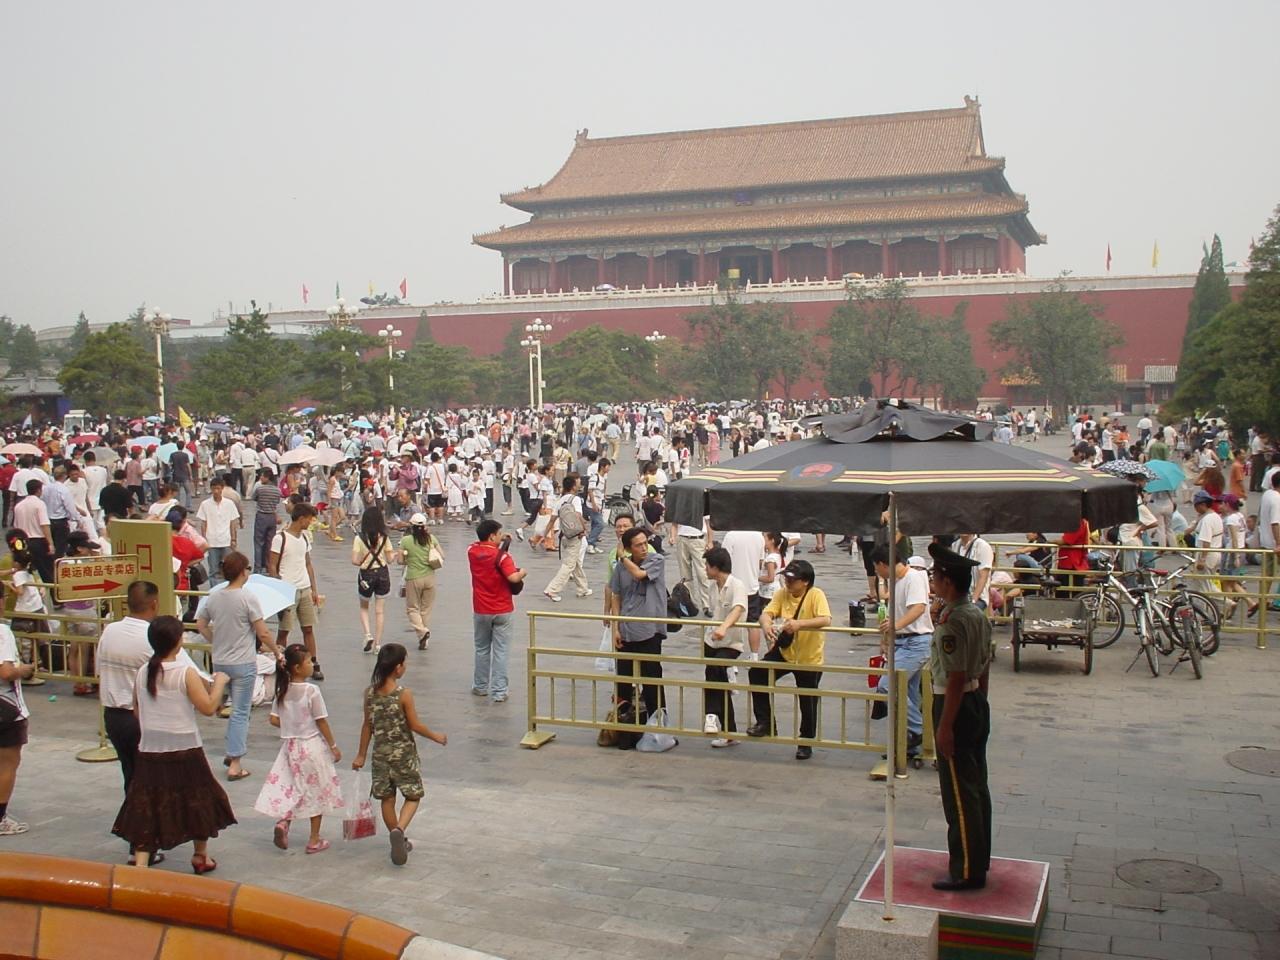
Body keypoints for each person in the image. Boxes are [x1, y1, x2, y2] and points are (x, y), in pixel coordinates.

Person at [111, 616, 236, 872]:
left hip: (151, 748)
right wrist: (220, 684)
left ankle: (142, 860)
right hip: (184, 745)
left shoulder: (143, 671)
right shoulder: (184, 672)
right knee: (198, 797)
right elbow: (208, 707)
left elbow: (136, 709)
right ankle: (200, 854)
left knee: (147, 802)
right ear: (178, 641)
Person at [926, 542, 993, 891]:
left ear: (948, 582)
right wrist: (980, 700)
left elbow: (954, 676)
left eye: (935, 576)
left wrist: (945, 726)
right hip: (975, 701)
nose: (932, 581)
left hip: (954, 703)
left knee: (958, 792)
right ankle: (979, 857)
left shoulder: (952, 622)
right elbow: (984, 664)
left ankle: (965, 868)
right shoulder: (976, 613)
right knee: (976, 784)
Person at [352, 643, 448, 866]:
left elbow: (367, 726)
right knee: (413, 796)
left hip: (380, 755)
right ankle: (399, 829)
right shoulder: (404, 694)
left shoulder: (369, 694)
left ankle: (397, 837)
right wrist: (435, 736)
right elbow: (414, 725)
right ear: (398, 667)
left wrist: (361, 755)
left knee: (387, 798)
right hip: (403, 754)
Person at [196, 551, 278, 782]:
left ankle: (232, 748)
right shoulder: (247, 597)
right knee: (241, 711)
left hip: (220, 661)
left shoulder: (214, 595)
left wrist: (215, 640)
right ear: (243, 572)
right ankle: (235, 761)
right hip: (243, 661)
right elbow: (263, 632)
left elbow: (201, 624)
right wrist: (276, 651)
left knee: (232, 707)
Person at [254, 644, 343, 854]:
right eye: (309, 661)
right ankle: (314, 839)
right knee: (316, 791)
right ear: (297, 667)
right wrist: (333, 746)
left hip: (290, 747)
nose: (312, 665)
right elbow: (321, 721)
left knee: (293, 787)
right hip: (311, 746)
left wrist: (290, 725)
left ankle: (284, 821)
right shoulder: (311, 691)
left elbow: (273, 719)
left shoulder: (282, 690)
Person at [747, 559, 831, 760]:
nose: (788, 582)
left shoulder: (816, 595)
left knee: (808, 700)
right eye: (786, 578)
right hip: (785, 652)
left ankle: (806, 742)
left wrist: (799, 624)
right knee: (757, 673)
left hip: (809, 657)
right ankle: (765, 722)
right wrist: (766, 625)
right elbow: (766, 613)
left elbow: (825, 619)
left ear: (805, 581)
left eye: (792, 580)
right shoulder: (782, 593)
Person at [869, 545, 934, 762]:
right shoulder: (895, 582)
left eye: (877, 568)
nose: (877, 572)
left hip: (916, 642)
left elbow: (918, 608)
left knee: (888, 685)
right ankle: (909, 744)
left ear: (883, 564)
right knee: (909, 694)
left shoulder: (913, 577)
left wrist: (896, 626)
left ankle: (918, 730)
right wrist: (887, 639)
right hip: (901, 642)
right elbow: (892, 614)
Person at [608, 526, 669, 724]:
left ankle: (658, 722)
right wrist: (615, 627)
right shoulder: (621, 568)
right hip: (626, 629)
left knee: (651, 679)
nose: (644, 548)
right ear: (629, 548)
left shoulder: (656, 560)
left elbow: (639, 575)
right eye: (638, 545)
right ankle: (624, 723)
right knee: (624, 679)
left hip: (650, 630)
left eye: (645, 543)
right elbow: (616, 595)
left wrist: (622, 557)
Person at [467, 520, 525, 703]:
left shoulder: (472, 551)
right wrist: (523, 572)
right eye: (499, 534)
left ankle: (480, 686)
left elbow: (483, 547)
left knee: (481, 649)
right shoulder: (503, 558)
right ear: (492, 536)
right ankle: (499, 691)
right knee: (501, 651)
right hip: (502, 609)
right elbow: (513, 577)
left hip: (481, 609)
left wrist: (501, 541)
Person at [268, 503, 324, 681]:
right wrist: (278, 587)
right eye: (309, 519)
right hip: (288, 589)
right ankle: (280, 662)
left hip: (304, 587)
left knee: (308, 628)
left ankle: (313, 663)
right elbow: (272, 564)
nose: (310, 522)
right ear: (301, 519)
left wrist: (314, 589)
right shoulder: (280, 538)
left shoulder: (304, 538)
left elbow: (308, 563)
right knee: (284, 630)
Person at [701, 546, 745, 748]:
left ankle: (710, 715)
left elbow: (738, 608)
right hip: (712, 641)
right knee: (717, 681)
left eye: (707, 565)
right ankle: (729, 731)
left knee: (715, 669)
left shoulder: (737, 585)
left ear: (716, 567)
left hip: (731, 642)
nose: (705, 568)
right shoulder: (713, 587)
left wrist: (724, 627)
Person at [0, 613, 35, 836]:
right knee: (7, 764)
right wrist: (23, 669)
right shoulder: (2, 632)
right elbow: (6, 671)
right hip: (6, 708)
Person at [543, 474, 591, 602]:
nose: (580, 485)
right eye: (578, 483)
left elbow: (552, 520)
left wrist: (545, 534)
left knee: (574, 562)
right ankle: (552, 590)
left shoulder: (560, 501)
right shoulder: (575, 499)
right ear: (573, 486)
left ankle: (583, 588)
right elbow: (578, 515)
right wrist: (584, 529)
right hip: (575, 535)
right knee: (569, 565)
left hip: (564, 536)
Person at [352, 509, 395, 654]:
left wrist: (363, 560)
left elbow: (354, 561)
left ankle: (367, 634)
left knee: (364, 607)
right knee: (379, 611)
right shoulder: (385, 538)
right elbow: (390, 560)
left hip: (366, 575)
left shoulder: (359, 539)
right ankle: (377, 644)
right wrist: (395, 554)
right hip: (382, 574)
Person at [398, 513, 441, 651]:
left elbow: (400, 561)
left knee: (412, 608)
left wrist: (408, 559)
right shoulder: (431, 539)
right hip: (430, 577)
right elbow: (442, 555)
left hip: (413, 577)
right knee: (425, 609)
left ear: (411, 526)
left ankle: (422, 632)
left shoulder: (406, 541)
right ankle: (423, 638)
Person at [196, 478, 240, 583]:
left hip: (226, 540)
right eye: (214, 489)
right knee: (213, 570)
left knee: (227, 569)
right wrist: (204, 540)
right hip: (212, 542)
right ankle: (214, 590)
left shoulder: (229, 504)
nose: (216, 491)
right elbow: (203, 524)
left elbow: (233, 523)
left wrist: (234, 539)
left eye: (218, 488)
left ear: (222, 489)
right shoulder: (205, 504)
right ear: (211, 489)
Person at [13, 480, 53, 586]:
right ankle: (54, 595)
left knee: (25, 571)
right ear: (39, 490)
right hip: (38, 541)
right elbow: (44, 524)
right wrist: (50, 543)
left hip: (23, 542)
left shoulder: (18, 506)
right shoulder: (39, 504)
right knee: (47, 571)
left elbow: (16, 527)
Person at [249, 468, 283, 573]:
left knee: (258, 542)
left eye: (262, 476)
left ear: (267, 477)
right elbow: (277, 502)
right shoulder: (277, 490)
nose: (261, 478)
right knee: (270, 543)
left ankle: (258, 567)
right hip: (272, 516)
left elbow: (254, 498)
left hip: (261, 516)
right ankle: (268, 565)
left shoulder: (260, 489)